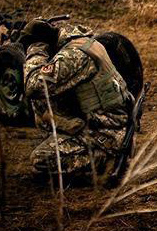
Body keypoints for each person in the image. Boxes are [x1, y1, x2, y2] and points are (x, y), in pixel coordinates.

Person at [19, 18, 132, 181]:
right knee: (47, 98)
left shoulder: (73, 55)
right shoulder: (83, 42)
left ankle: (102, 159)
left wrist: (35, 50)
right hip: (108, 122)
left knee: (41, 159)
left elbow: (33, 86)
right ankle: (81, 146)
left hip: (106, 133)